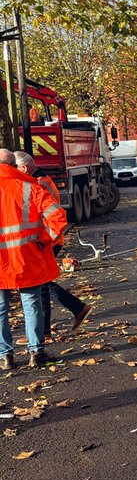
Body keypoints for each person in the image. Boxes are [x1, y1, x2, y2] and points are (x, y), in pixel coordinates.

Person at [0, 149, 69, 371]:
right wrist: (45, 239)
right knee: (32, 305)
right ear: (14, 165)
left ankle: (6, 357)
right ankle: (36, 353)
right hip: (28, 257)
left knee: (1, 309)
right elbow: (58, 217)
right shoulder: (30, 188)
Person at [13, 153, 91, 335]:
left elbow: (45, 215)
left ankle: (76, 309)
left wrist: (43, 239)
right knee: (42, 284)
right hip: (48, 238)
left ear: (24, 168)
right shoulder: (41, 180)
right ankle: (47, 327)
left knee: (40, 283)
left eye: (14, 168)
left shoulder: (36, 185)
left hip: (46, 240)